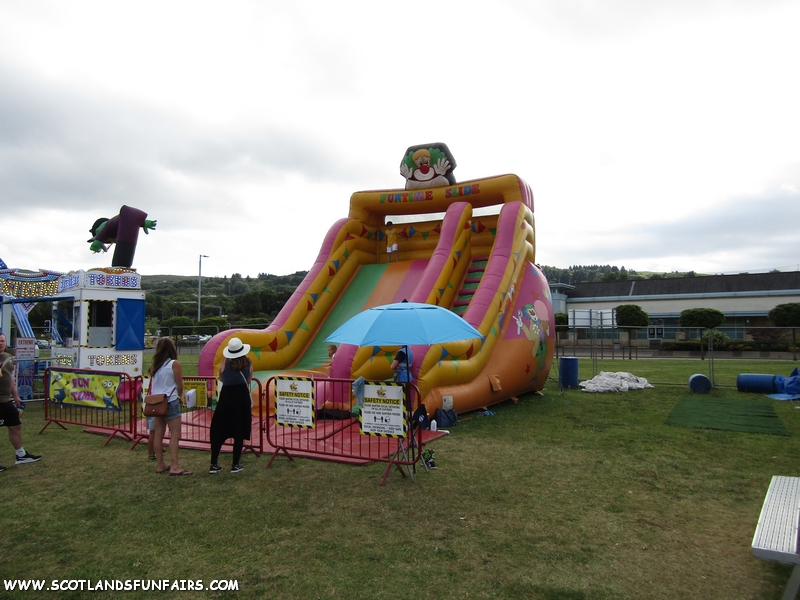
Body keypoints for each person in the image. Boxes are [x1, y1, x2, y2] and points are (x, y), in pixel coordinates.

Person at [209, 338, 253, 475]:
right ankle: (235, 464)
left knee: (219, 429)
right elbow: (249, 379)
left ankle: (214, 464)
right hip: (242, 397)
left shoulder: (224, 362)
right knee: (239, 430)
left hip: (226, 397)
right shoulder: (248, 362)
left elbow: (220, 377)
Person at [149, 338, 191, 476]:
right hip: (170, 400)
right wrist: (179, 395)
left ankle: (160, 464)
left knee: (158, 434)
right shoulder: (174, 364)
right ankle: (175, 466)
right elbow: (180, 385)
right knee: (175, 434)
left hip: (156, 401)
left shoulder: (155, 365)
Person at [0, 333, 41, 472]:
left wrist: (16, 396)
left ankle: (21, 455)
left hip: (6, 400)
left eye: (2, 341)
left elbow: (10, 378)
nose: (1, 343)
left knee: (15, 426)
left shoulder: (8, 358)